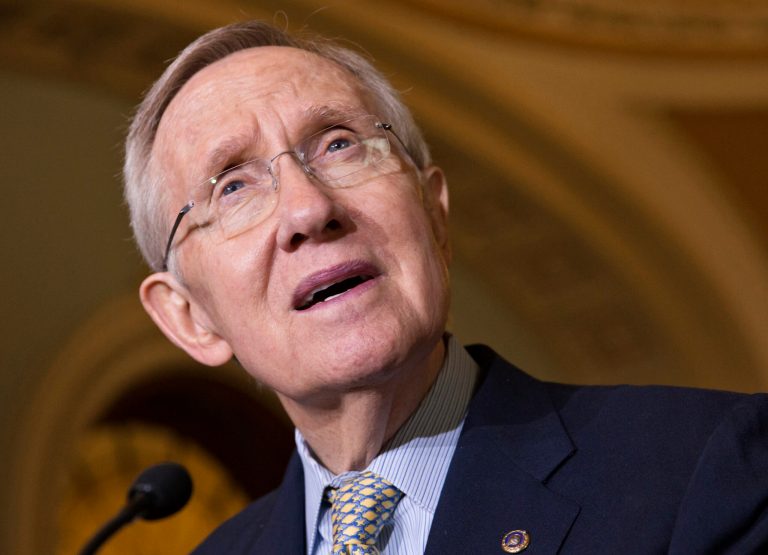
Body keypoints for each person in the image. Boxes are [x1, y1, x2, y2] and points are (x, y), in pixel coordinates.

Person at [123, 20, 768, 554]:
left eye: (340, 145)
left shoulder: (698, 466)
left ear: (434, 216)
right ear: (189, 319)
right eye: (232, 187)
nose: (307, 210)